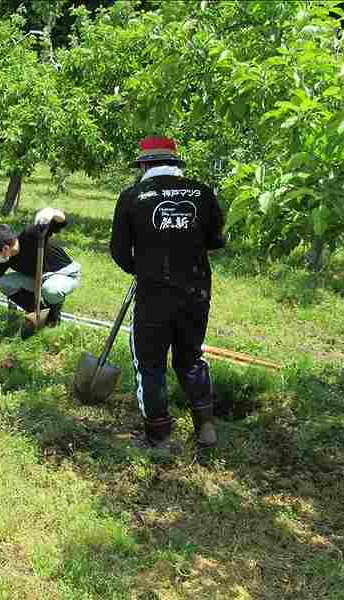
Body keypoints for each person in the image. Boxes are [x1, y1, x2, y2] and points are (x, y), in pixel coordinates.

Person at [110, 136, 225, 451]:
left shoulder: (132, 196)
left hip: (154, 294)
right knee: (190, 358)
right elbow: (217, 241)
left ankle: (159, 436)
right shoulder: (202, 193)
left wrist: (142, 267)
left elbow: (119, 251)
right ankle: (205, 427)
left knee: (150, 363)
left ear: (144, 164)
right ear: (175, 163)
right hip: (196, 290)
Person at [0, 207, 80, 338]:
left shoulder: (32, 235)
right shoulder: (5, 257)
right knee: (4, 283)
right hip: (37, 278)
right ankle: (37, 312)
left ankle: (53, 316)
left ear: (5, 249)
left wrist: (52, 212)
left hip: (63, 274)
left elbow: (61, 221)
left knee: (51, 290)